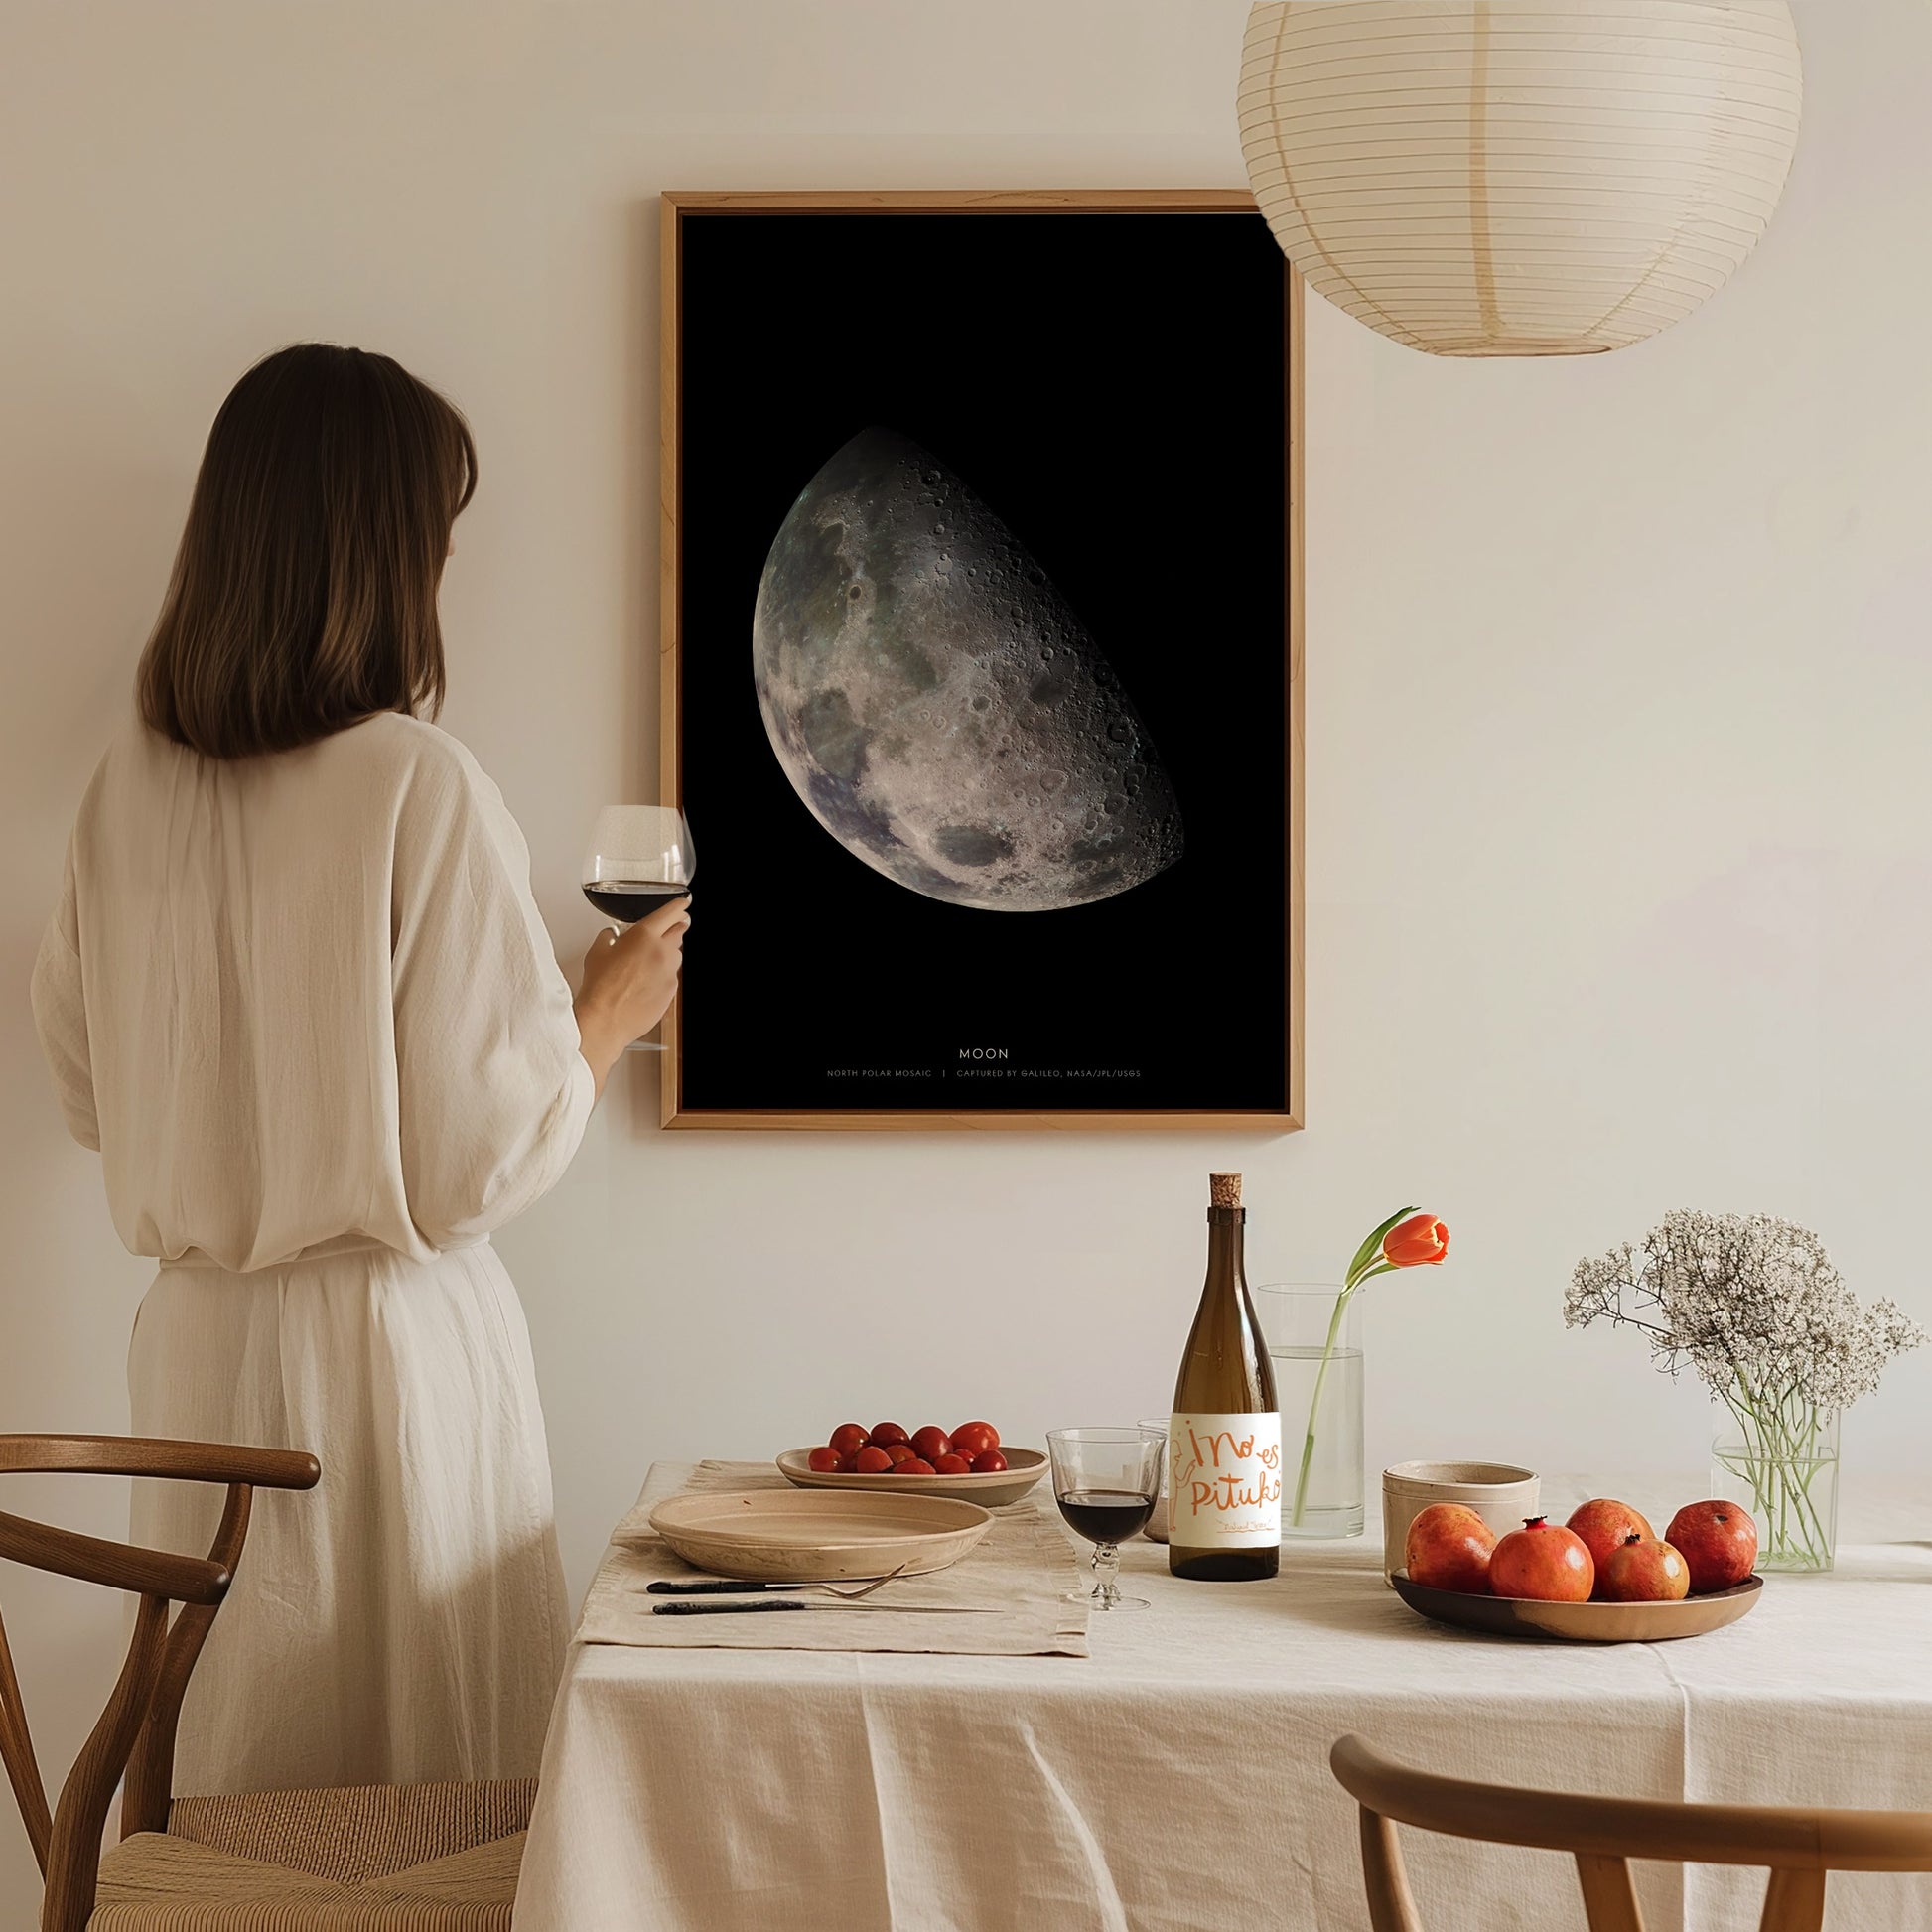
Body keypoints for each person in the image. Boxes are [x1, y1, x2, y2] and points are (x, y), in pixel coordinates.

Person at [29, 343, 685, 1793]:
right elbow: (470, 1166)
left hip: (196, 1354)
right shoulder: (415, 780)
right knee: (424, 1794)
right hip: (388, 1362)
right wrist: (601, 1015)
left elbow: (86, 1091)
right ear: (384, 550)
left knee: (237, 1773)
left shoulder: (124, 791)